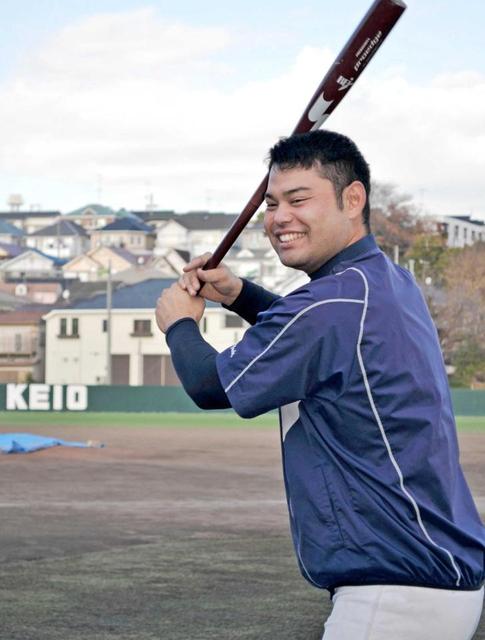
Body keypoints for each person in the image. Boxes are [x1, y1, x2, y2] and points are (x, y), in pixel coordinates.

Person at [155, 129, 485, 640]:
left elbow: (210, 384)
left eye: (299, 199)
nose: (279, 218)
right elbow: (309, 336)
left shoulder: (332, 303)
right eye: (271, 204)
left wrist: (179, 323)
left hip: (395, 593)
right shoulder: (386, 281)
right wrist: (240, 294)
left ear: (353, 200)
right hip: (427, 579)